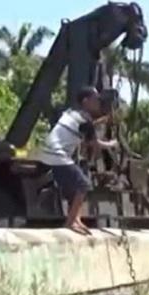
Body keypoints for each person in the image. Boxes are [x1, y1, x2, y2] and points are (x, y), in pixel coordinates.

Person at [35, 86, 116, 235]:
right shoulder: (85, 120)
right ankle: (70, 222)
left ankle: (76, 220)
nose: (98, 103)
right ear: (86, 102)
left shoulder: (72, 113)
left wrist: (100, 121)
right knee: (84, 185)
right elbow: (94, 144)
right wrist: (112, 144)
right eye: (95, 100)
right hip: (57, 155)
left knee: (73, 192)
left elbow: (83, 132)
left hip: (48, 153)